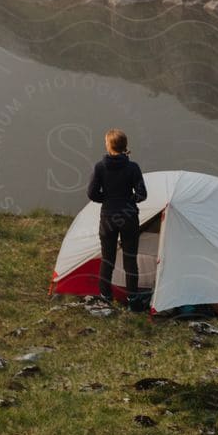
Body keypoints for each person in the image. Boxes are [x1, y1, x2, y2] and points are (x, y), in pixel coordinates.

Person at [86, 127, 148, 307]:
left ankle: (105, 297)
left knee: (107, 259)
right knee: (130, 259)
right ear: (124, 146)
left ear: (108, 146)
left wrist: (106, 199)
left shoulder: (100, 167)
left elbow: (91, 193)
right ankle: (133, 300)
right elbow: (142, 195)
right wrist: (130, 200)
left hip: (108, 218)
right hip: (128, 217)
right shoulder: (133, 167)